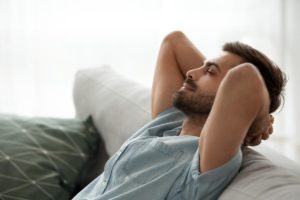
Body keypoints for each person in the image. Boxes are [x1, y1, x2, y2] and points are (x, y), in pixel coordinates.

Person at [73, 31, 286, 200]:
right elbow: (173, 41)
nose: (191, 72)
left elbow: (245, 77)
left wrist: (258, 120)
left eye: (210, 72)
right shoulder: (169, 122)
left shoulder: (208, 160)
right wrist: (212, 73)